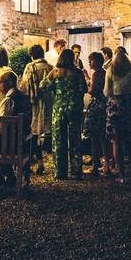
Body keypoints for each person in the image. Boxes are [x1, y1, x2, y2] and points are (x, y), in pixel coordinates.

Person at [40, 48, 87, 180]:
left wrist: (54, 91)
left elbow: (42, 85)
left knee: (58, 140)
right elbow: (84, 88)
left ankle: (60, 172)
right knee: (75, 139)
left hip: (59, 108)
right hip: (75, 109)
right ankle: (76, 171)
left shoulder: (55, 72)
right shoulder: (78, 73)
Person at [105, 48, 131, 184]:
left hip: (115, 106)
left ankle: (122, 175)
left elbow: (106, 92)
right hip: (130, 105)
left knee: (117, 142)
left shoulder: (110, 70)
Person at [0, 70, 33, 185]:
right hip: (23, 140)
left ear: (9, 83)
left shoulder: (8, 100)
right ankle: (10, 178)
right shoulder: (24, 98)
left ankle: (1, 178)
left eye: (0, 82)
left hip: (8, 145)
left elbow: (2, 126)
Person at [20, 45, 53, 175]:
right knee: (44, 133)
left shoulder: (30, 67)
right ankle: (42, 162)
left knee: (32, 134)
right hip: (48, 104)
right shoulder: (50, 67)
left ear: (31, 55)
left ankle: (33, 162)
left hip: (33, 104)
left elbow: (24, 87)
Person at [83, 51, 110, 176]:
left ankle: (95, 166)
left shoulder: (97, 74)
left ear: (98, 61)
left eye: (91, 60)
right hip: (104, 106)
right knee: (104, 137)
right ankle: (107, 165)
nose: (89, 62)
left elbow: (93, 91)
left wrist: (87, 86)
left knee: (94, 137)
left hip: (97, 107)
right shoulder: (105, 73)